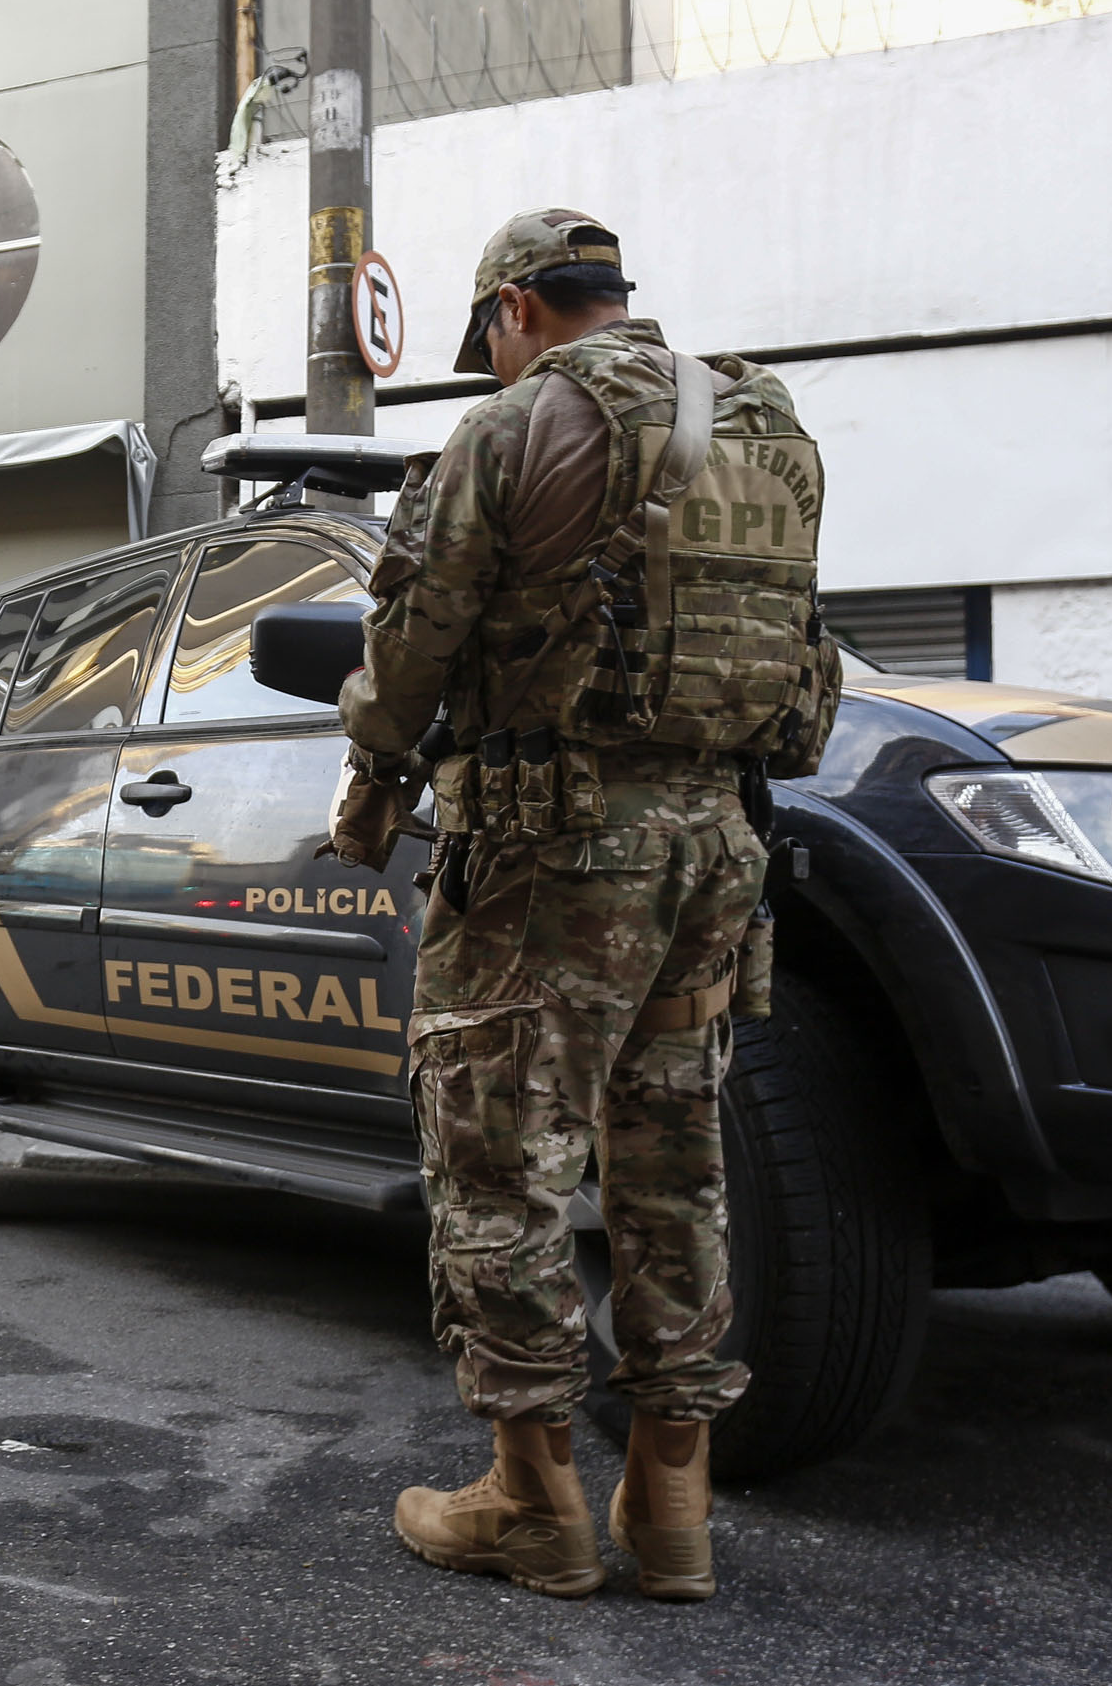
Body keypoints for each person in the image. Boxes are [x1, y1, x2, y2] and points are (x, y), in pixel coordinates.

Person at [339, 210, 838, 1603]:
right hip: (718, 850)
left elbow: (413, 638)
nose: (491, 365)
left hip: (552, 851)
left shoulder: (516, 431)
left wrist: (374, 766)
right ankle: (671, 1505)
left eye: (489, 342)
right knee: (673, 1159)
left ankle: (534, 1501)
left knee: (503, 1159)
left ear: (515, 310)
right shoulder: (768, 423)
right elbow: (802, 661)